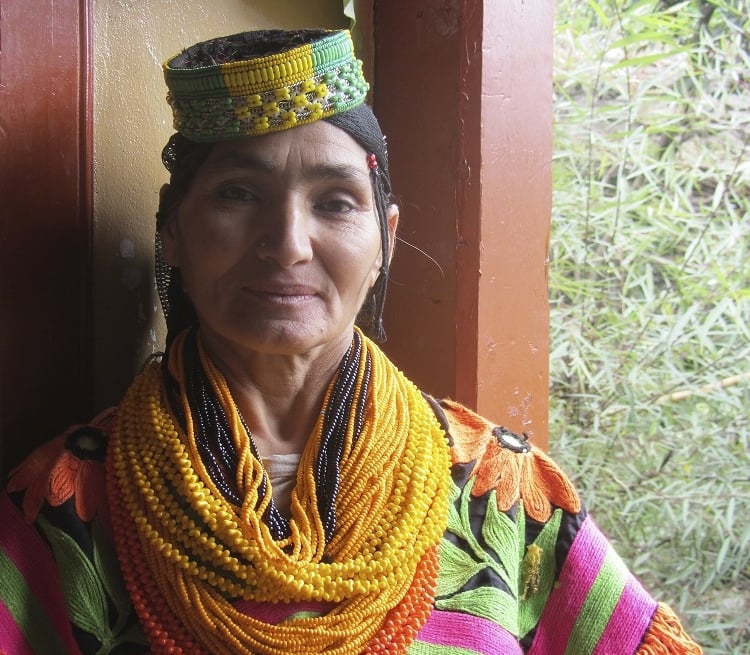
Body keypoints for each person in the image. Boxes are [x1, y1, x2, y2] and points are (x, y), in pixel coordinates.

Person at [0, 29, 702, 655]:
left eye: (335, 202)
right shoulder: (68, 502)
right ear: (173, 233)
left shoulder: (504, 493)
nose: (287, 245)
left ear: (383, 242)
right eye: (239, 194)